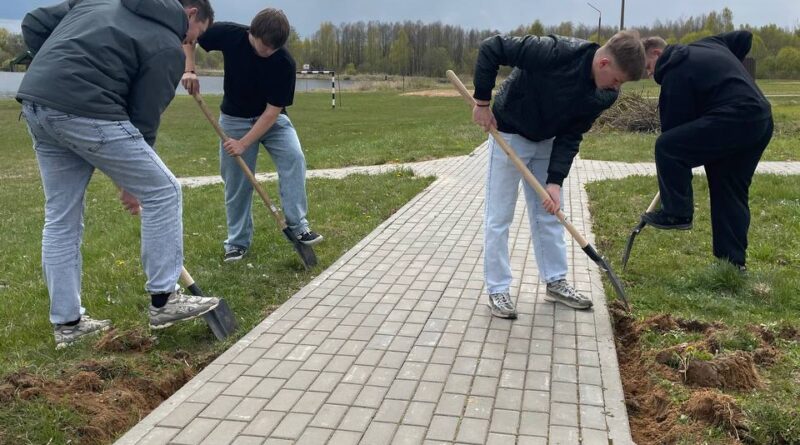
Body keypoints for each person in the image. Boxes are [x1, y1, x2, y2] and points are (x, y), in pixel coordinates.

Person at [17, 0, 220, 349]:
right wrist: (132, 183)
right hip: (85, 107)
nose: (191, 42)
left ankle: (67, 324)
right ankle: (165, 300)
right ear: (190, 13)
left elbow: (34, 22)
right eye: (195, 35)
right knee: (164, 190)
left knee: (62, 216)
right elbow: (144, 118)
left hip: (38, 101)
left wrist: (55, 63)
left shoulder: (99, 0)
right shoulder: (167, 47)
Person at [471, 30, 646, 318]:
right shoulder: (555, 52)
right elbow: (492, 47)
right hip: (509, 131)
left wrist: (555, 181)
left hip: (547, 140)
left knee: (550, 212)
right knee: (499, 216)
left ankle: (555, 281)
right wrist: (481, 103)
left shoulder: (604, 94)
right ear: (603, 63)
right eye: (617, 79)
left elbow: (572, 134)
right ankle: (498, 289)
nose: (617, 88)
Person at [182, 8, 322, 263]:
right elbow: (188, 36)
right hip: (234, 120)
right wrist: (189, 68)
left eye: (274, 48)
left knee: (294, 157)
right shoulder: (228, 34)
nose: (268, 52)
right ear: (252, 33)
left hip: (273, 121)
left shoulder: (284, 62)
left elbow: (272, 112)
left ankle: (298, 226)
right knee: (237, 182)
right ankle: (237, 242)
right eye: (264, 46)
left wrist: (243, 144)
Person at [641, 32, 773, 271]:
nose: (649, 74)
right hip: (760, 118)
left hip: (734, 118)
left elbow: (673, 138)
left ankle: (677, 213)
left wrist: (674, 181)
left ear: (657, 54)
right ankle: (731, 264)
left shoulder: (673, 73)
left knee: (666, 147)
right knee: (728, 186)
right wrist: (725, 74)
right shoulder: (709, 44)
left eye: (648, 67)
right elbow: (744, 38)